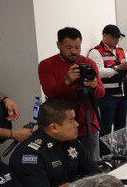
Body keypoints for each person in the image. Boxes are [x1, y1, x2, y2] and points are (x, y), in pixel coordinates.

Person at [10, 98, 102, 187]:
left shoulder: (69, 140)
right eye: (71, 120)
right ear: (54, 128)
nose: (77, 124)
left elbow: (94, 172)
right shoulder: (29, 154)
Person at [37, 27, 105, 159]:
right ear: (58, 45)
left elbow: (101, 93)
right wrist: (67, 81)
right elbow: (50, 93)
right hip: (61, 127)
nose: (74, 51)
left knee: (90, 163)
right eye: (68, 47)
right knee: (65, 163)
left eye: (78, 47)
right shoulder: (47, 65)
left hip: (88, 124)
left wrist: (94, 86)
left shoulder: (88, 63)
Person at [87, 24, 127, 147]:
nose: (117, 40)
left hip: (122, 94)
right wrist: (118, 68)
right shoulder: (96, 52)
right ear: (104, 35)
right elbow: (99, 73)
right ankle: (106, 155)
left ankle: (121, 152)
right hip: (106, 96)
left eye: (118, 38)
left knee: (121, 126)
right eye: (114, 37)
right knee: (106, 127)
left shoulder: (121, 51)